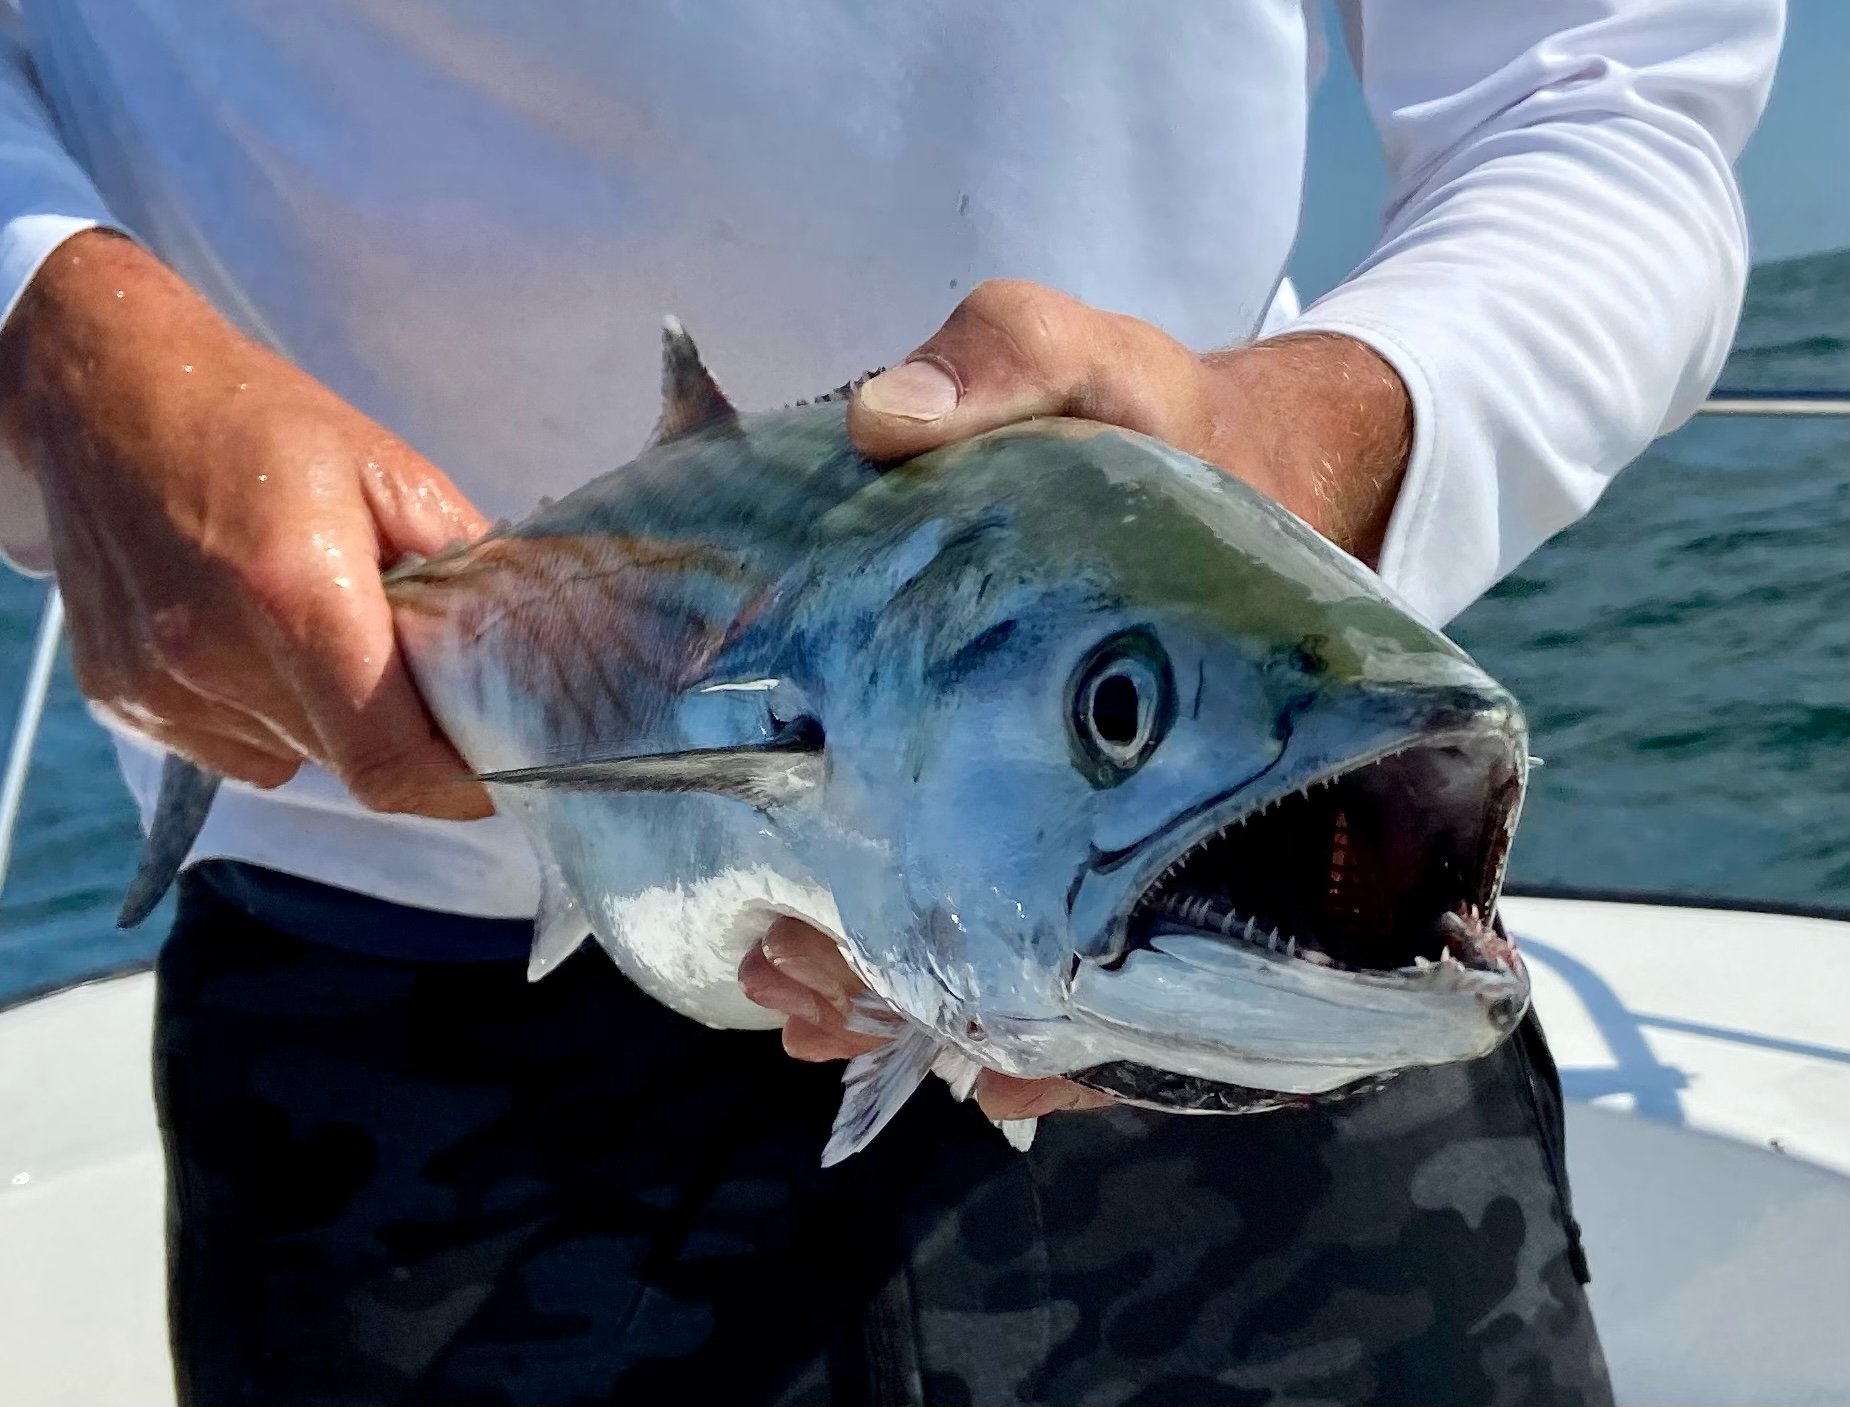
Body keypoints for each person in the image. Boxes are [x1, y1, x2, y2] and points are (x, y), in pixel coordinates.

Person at [0, 3, 1778, 1403]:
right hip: (395, 1014)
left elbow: (1613, 85)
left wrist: (1305, 437)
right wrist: (43, 324)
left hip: (1249, 984)